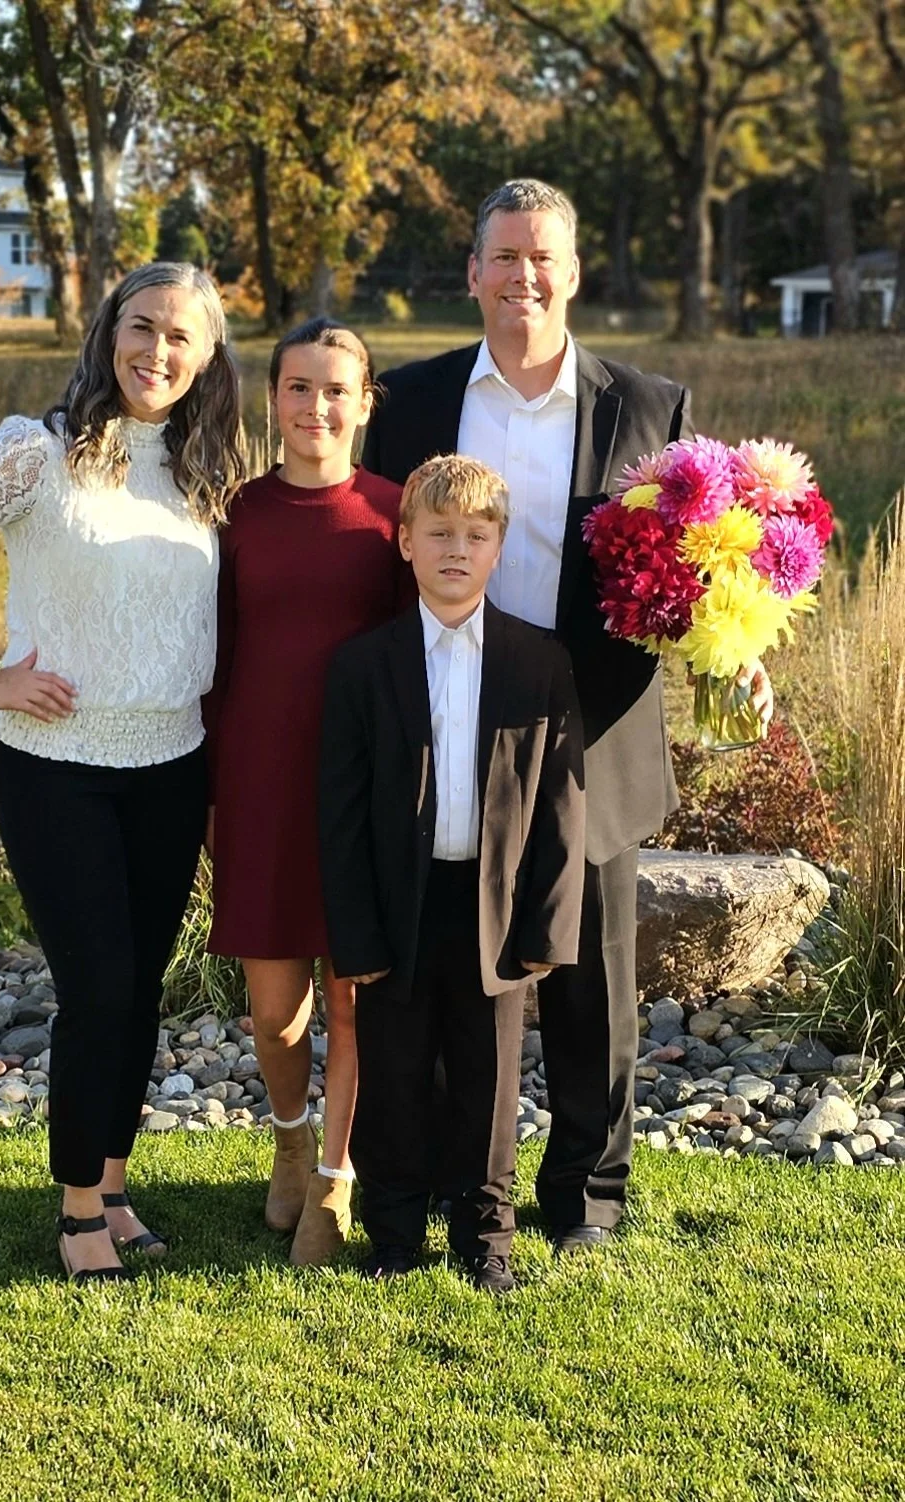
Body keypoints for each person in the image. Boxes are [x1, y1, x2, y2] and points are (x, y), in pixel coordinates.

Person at [362, 179, 774, 1252]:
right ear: (473, 272)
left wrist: (741, 656)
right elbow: (367, 558)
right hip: (443, 732)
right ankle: (460, 1188)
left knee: (594, 985)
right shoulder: (408, 404)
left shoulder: (650, 410)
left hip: (590, 731)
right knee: (456, 979)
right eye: (504, 257)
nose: (523, 277)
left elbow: (707, 570)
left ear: (574, 271)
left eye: (543, 258)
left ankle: (586, 1198)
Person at [0, 262, 246, 1282]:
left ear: (209, 356)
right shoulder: (32, 451)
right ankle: (78, 1205)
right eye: (142, 326)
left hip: (173, 762)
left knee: (140, 989)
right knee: (99, 984)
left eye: (181, 337)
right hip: (55, 766)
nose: (157, 351)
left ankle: (113, 1182)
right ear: (107, 329)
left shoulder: (206, 469)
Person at [318, 454, 585, 1292]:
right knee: (393, 1071)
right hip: (399, 907)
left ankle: (484, 1239)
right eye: (438, 533)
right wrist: (353, 931)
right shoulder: (363, 666)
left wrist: (544, 927)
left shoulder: (537, 663)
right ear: (404, 543)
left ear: (499, 547)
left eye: (475, 535)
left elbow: (558, 808)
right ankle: (394, 1234)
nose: (456, 550)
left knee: (487, 1080)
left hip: (493, 909)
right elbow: (341, 813)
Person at [204, 317, 407, 1265]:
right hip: (260, 784)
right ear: (272, 399)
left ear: (365, 402)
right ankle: (287, 1143)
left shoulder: (396, 515)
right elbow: (215, 659)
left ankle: (333, 1185)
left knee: (356, 1002)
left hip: (365, 796)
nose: (314, 407)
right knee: (274, 1007)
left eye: (335, 390)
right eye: (297, 388)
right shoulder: (235, 513)